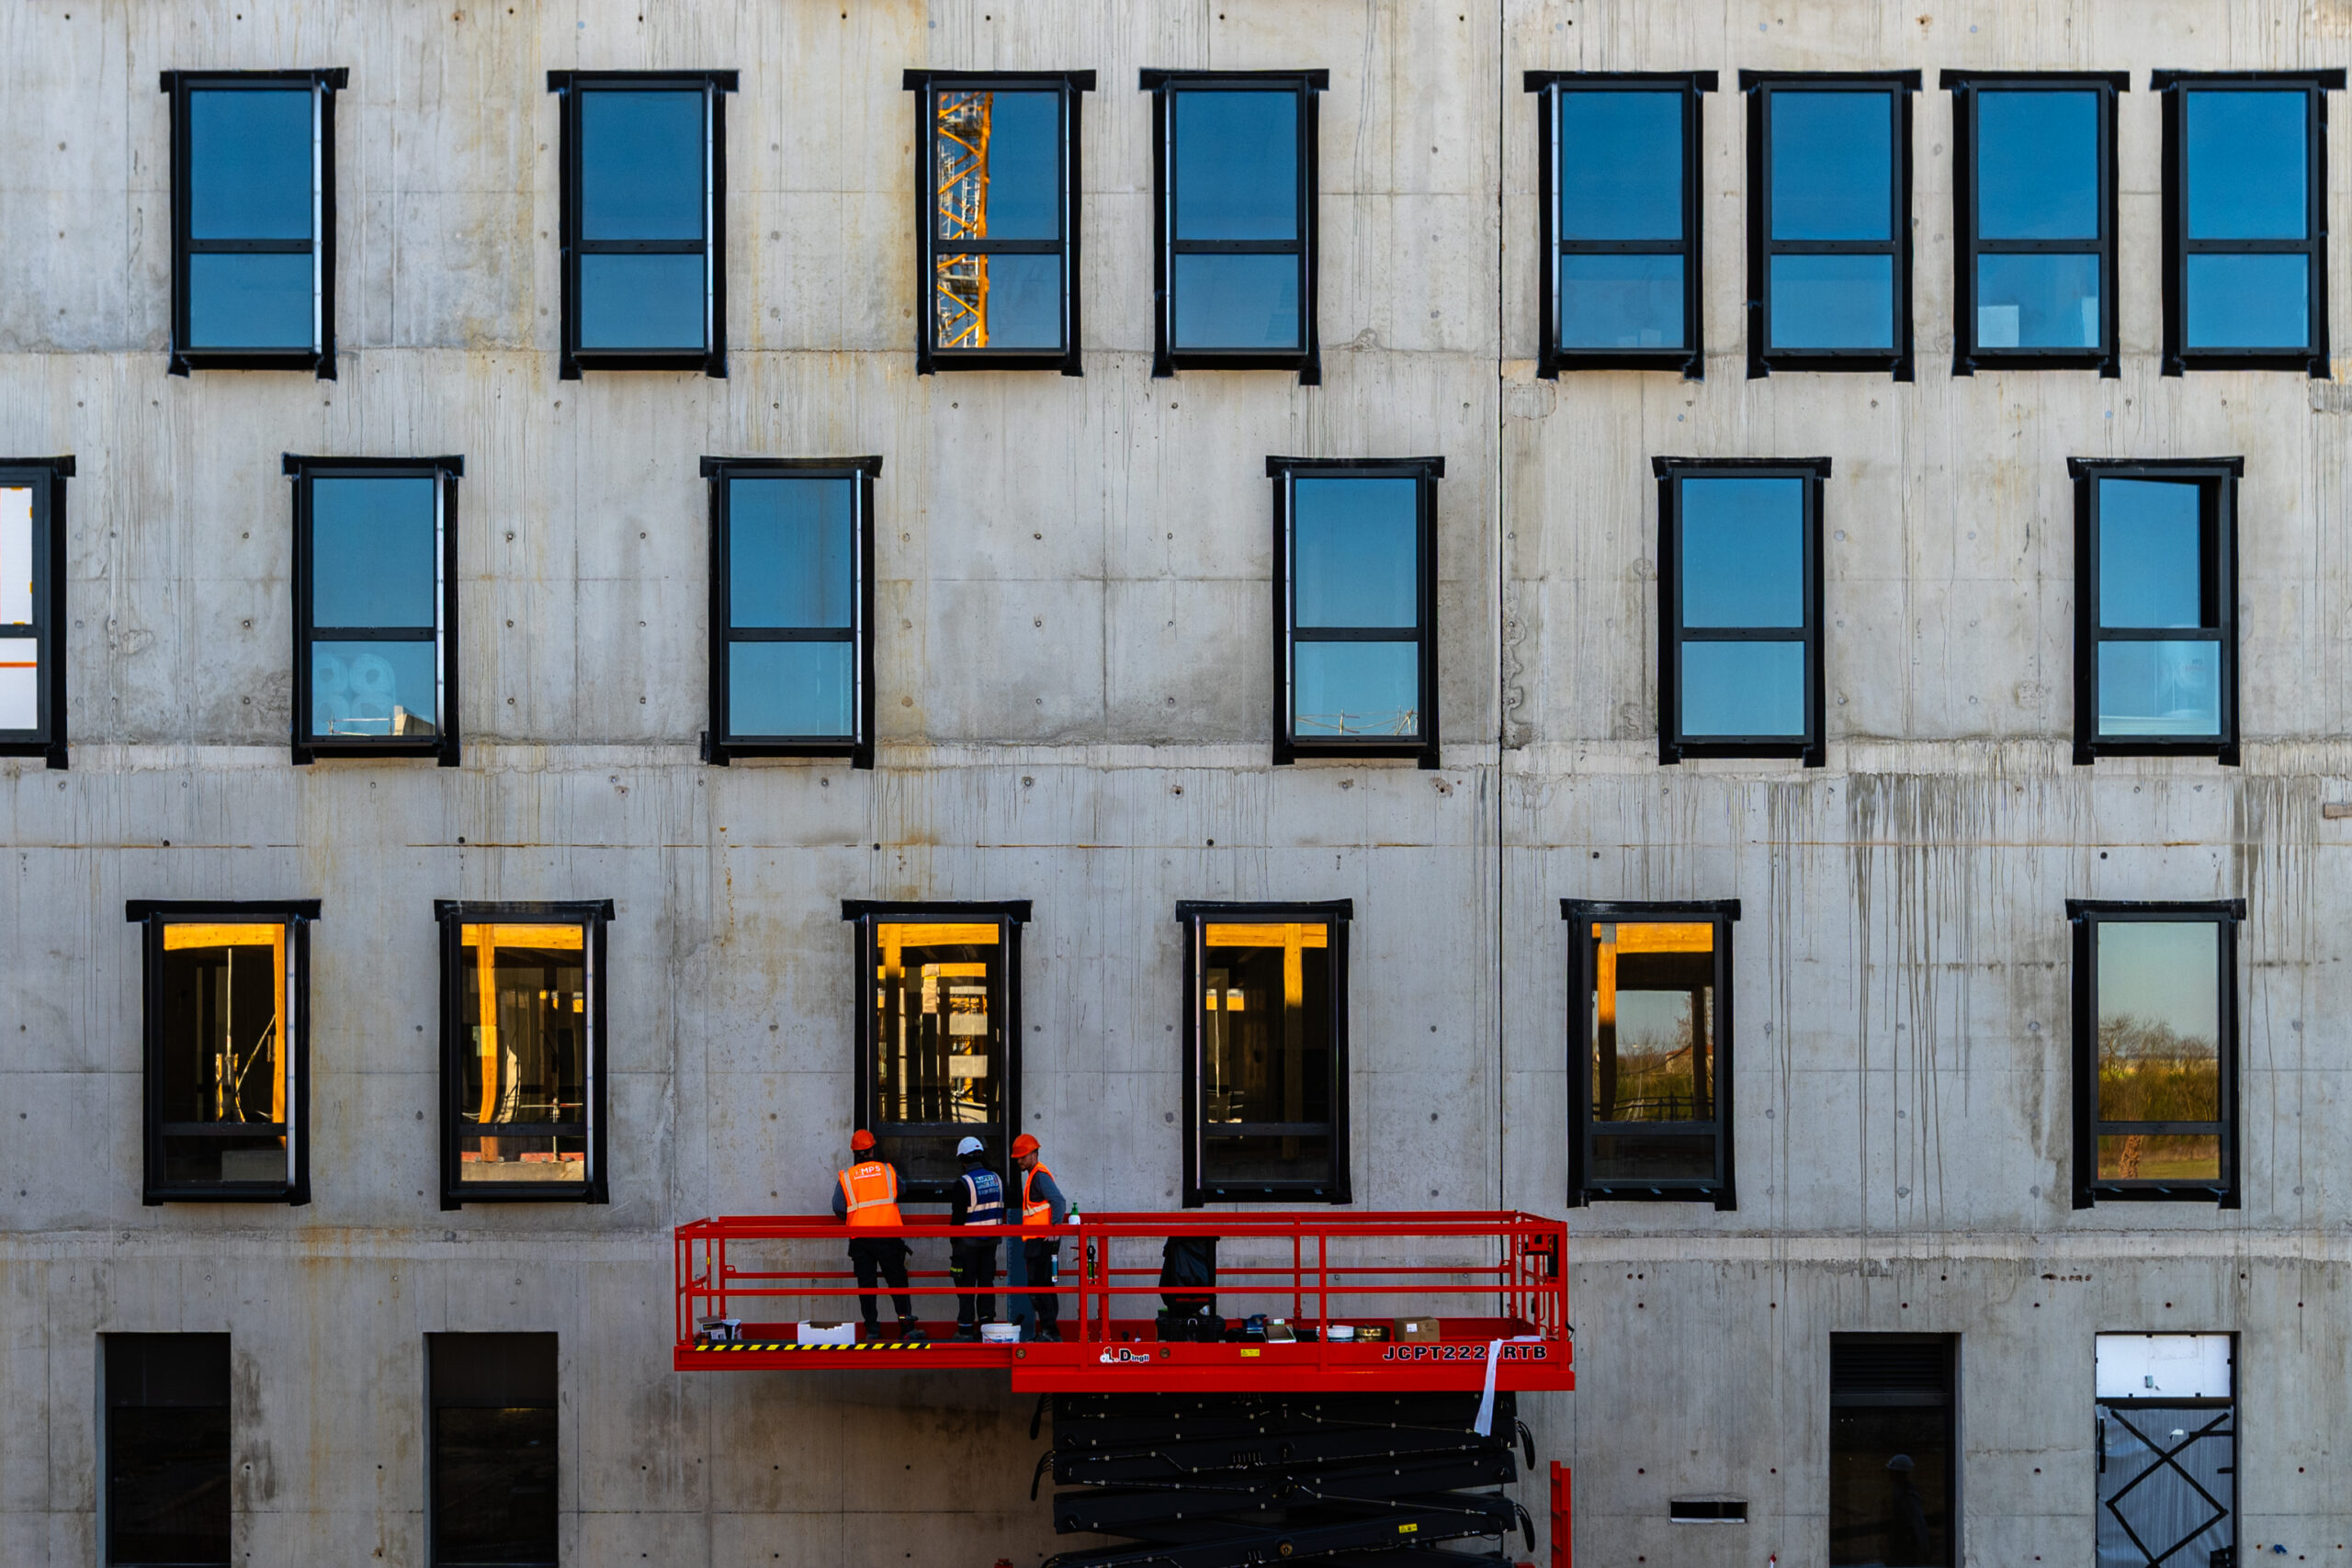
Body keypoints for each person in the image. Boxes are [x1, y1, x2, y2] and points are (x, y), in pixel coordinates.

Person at [829, 1130, 922, 1342]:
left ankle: (872, 1329)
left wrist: (857, 1214)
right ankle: (906, 1326)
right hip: (889, 1235)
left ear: (855, 1152)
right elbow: (903, 1189)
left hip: (861, 1239)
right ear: (872, 1149)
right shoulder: (887, 1171)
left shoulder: (848, 1177)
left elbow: (838, 1206)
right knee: (897, 1283)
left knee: (867, 1285)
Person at [1012, 1133, 1069, 1342]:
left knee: (1041, 1287)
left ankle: (1050, 1332)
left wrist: (1054, 1231)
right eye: (1017, 1157)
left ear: (1034, 1155)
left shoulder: (1039, 1177)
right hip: (1039, 1240)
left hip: (1042, 1241)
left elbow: (1059, 1202)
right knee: (1041, 1287)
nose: (1019, 1161)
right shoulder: (1035, 1176)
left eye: (1023, 1157)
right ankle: (1049, 1331)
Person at [946, 1135, 1004, 1341]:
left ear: (962, 1160)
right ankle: (988, 1327)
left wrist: (954, 1241)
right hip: (991, 1243)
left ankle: (966, 1329)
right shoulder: (997, 1179)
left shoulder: (964, 1183)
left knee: (965, 1286)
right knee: (986, 1284)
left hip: (967, 1244)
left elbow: (957, 1218)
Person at [1883, 1453, 1931, 1566]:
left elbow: (1918, 1524)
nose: (1889, 1474)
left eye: (1892, 1471)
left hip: (1906, 1549)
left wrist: (1923, 1550)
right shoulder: (1898, 1492)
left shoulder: (1909, 1496)